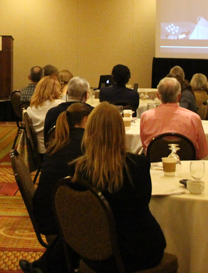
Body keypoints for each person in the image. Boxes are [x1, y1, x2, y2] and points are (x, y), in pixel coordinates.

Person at [74, 102, 167, 272]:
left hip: (98, 254)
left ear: (90, 131)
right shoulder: (139, 165)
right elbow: (145, 203)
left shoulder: (81, 170)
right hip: (142, 252)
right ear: (120, 131)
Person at [20, 103, 92, 273]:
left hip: (45, 208)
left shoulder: (59, 141)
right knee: (92, 219)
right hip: (59, 215)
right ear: (87, 119)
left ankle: (43, 266)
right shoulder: (88, 145)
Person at [140, 77, 208, 159]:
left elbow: (145, 146)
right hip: (185, 167)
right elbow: (202, 153)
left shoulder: (146, 116)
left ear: (158, 96)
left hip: (154, 167)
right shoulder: (193, 118)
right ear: (179, 96)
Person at [26, 77, 63, 154]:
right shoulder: (60, 105)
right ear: (56, 90)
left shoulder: (30, 109)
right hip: (58, 149)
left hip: (40, 151)